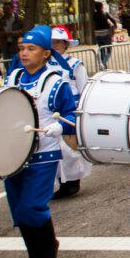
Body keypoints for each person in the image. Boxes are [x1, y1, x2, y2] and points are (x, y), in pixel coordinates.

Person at [2, 25, 77, 258]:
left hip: (43, 153)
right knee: (18, 208)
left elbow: (71, 114)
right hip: (14, 153)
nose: (24, 53)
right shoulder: (12, 79)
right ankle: (35, 255)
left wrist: (57, 127)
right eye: (22, 48)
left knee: (32, 205)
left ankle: (48, 247)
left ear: (46, 53)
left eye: (31, 49)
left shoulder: (56, 82)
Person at [49, 26, 91, 199]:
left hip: (70, 110)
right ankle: (61, 181)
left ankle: (73, 182)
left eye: (59, 42)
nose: (56, 45)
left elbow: (84, 87)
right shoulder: (45, 65)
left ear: (66, 44)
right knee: (54, 148)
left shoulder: (74, 65)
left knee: (69, 149)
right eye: (53, 42)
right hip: (51, 111)